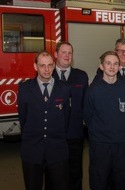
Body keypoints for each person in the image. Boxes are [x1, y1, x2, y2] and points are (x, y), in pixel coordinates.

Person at [92, 38, 125, 190]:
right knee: (108, 171)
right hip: (109, 134)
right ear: (115, 52)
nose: (124, 54)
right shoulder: (103, 73)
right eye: (121, 50)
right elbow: (91, 108)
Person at [17, 51, 70, 190]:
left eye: (50, 65)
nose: (47, 69)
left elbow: (66, 118)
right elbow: (23, 117)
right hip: (32, 150)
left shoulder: (64, 88)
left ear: (54, 66)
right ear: (35, 67)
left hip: (57, 150)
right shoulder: (25, 88)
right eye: (42, 66)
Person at [84, 51, 125, 190]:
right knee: (99, 180)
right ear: (101, 66)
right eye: (108, 63)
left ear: (119, 67)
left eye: (115, 64)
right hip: (100, 145)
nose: (112, 67)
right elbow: (88, 116)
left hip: (121, 144)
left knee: (122, 180)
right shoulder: (93, 90)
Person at [52, 41, 89, 190]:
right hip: (53, 135)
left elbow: (87, 104)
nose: (67, 56)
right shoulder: (48, 74)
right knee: (54, 173)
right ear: (56, 54)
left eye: (70, 53)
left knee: (75, 173)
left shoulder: (81, 76)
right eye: (63, 52)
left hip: (75, 134)